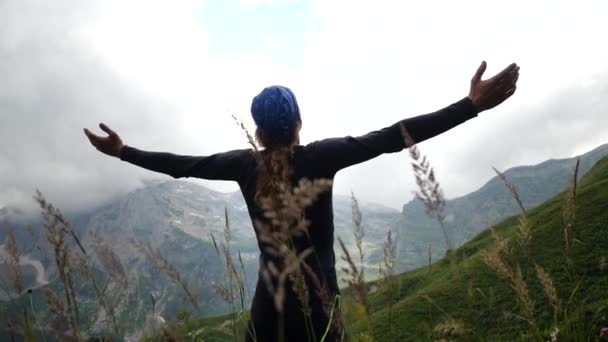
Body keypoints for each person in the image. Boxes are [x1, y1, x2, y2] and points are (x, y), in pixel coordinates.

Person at [84, 61, 519, 341]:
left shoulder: (242, 164)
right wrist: (469, 106)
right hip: (319, 309)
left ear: (258, 132)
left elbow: (181, 164)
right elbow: (394, 136)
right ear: (298, 123)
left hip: (266, 309)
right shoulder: (322, 156)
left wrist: (124, 151)